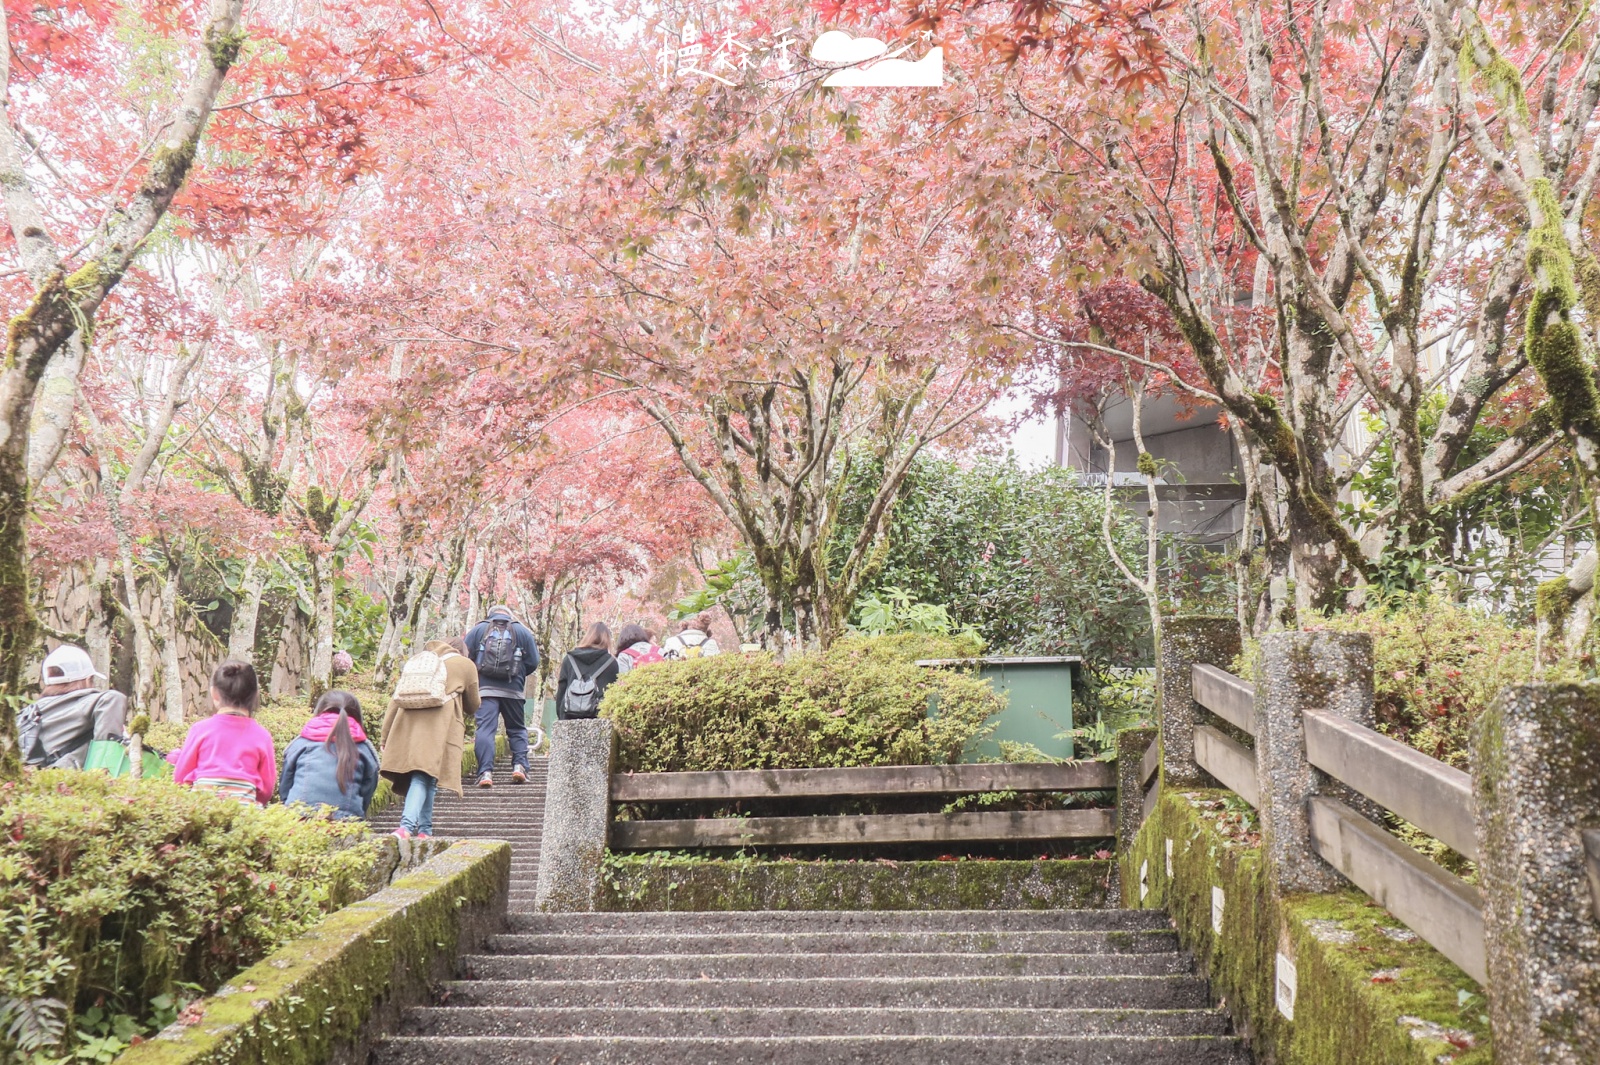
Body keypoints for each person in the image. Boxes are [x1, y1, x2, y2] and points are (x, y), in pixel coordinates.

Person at [380, 636, 478, 840]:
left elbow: (395, 699)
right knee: (422, 775)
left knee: (429, 777)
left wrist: (385, 736)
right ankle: (406, 827)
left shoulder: (420, 662)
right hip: (437, 729)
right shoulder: (465, 665)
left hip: (406, 726)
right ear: (462, 651)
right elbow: (473, 704)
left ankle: (425, 830)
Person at [173, 660, 276, 806]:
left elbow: (180, 777)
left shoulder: (200, 730)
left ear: (214, 693)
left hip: (202, 812)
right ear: (256, 695)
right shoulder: (262, 736)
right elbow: (266, 790)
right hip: (245, 817)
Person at [462, 605, 540, 787]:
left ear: (489, 615)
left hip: (485, 689)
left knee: (486, 730)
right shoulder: (522, 631)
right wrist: (517, 674)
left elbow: (465, 658)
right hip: (513, 689)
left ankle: (485, 773)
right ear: (510, 615)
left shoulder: (478, 630)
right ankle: (520, 766)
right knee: (517, 728)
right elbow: (533, 662)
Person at [16, 645, 127, 771]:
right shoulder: (99, 702)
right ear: (88, 679)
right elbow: (107, 749)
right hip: (60, 781)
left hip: (21, 782)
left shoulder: (26, 713)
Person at [280, 690, 380, 820]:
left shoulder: (301, 743)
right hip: (345, 821)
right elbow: (367, 790)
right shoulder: (364, 748)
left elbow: (285, 786)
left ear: (320, 711)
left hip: (299, 817)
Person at [555, 622, 619, 720]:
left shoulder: (569, 659)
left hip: (569, 716)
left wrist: (561, 717)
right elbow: (613, 695)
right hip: (598, 718)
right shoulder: (611, 663)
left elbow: (561, 691)